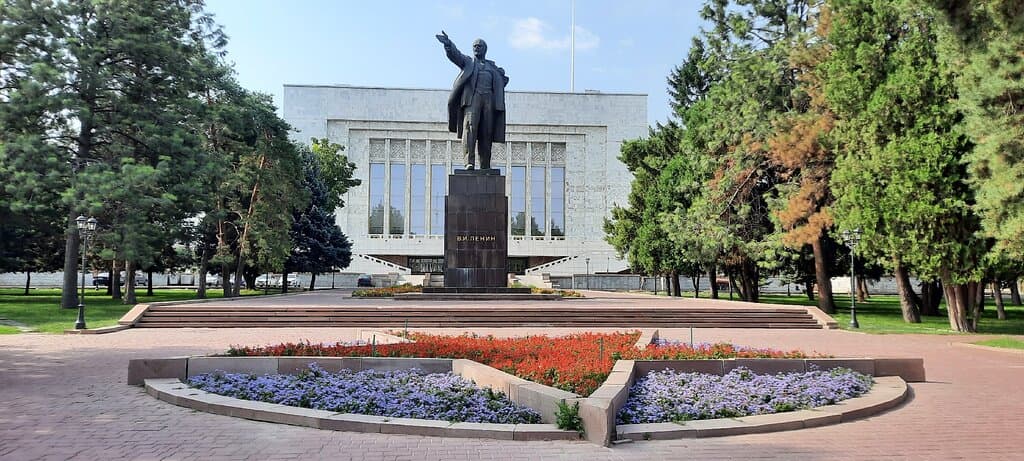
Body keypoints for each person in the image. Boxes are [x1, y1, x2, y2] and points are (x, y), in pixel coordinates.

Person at [436, 31, 509, 170]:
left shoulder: (492, 67)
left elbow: (501, 83)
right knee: (469, 129)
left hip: (488, 100)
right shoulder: (468, 62)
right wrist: (448, 44)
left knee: (486, 132)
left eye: (479, 46)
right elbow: (455, 56)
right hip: (472, 100)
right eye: (475, 46)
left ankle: (485, 164)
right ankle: (469, 162)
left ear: (485, 49)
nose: (476, 48)